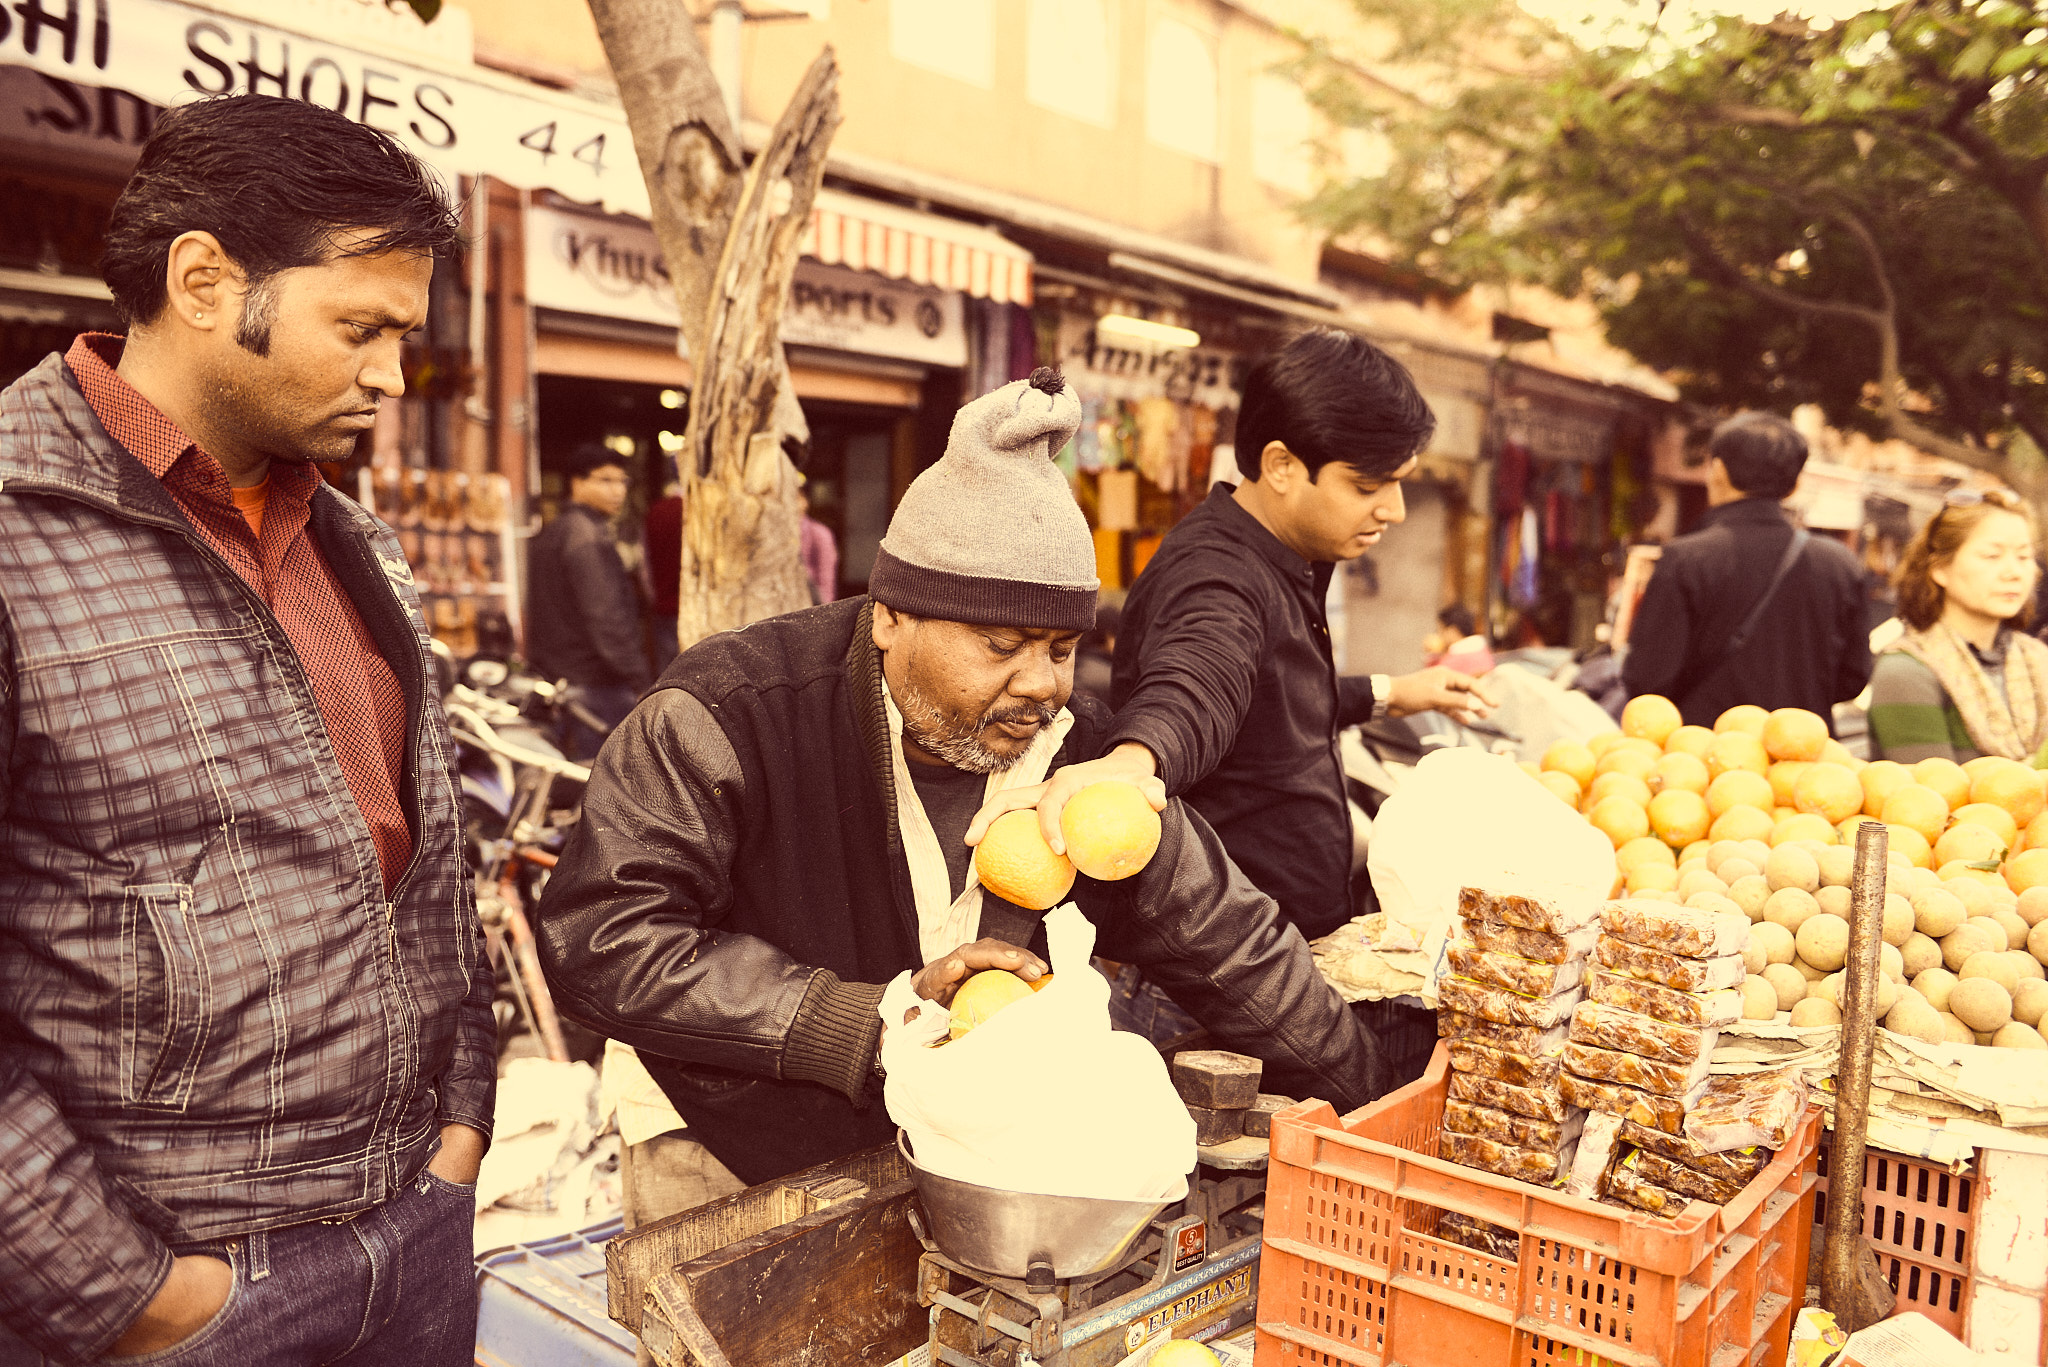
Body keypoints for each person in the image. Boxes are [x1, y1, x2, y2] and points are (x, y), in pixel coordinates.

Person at [532, 368, 1386, 1202]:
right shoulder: (728, 715)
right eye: (1002, 644)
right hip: (727, 1144)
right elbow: (602, 938)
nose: (1041, 684)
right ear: (891, 615)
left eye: (1060, 649)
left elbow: (1233, 945)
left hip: (963, 1160)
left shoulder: (1073, 754)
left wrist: (1377, 1107)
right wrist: (867, 1018)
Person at [0, 95, 491, 1367]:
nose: (392, 373)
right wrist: (122, 1291)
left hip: (417, 1227)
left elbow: (422, 864)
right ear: (206, 280)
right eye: (360, 327)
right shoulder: (15, 528)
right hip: (178, 1284)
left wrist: (461, 1129)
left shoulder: (350, 537)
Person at [1014, 331, 1493, 947]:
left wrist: (1394, 694)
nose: (1395, 511)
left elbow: (1273, 700)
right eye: (1368, 487)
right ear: (1282, 466)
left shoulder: (1279, 557)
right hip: (1218, 973)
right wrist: (1133, 762)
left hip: (1280, 942)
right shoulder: (1218, 578)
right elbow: (1197, 682)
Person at [1622, 412, 1872, 727]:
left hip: (1703, 759)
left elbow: (1647, 680)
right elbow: (1853, 678)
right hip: (1803, 758)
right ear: (1794, 485)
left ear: (1718, 471)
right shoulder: (1841, 564)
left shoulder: (1686, 559)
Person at [1867, 490, 2048, 763]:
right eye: (1991, 556)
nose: (2014, 572)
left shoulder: (2038, 659)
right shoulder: (1907, 671)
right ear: (1939, 569)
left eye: (2024, 557)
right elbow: (1934, 796)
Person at [526, 441, 652, 758]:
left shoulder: (563, 529)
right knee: (606, 784)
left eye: (623, 482)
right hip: (594, 683)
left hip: (566, 678)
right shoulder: (585, 537)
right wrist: (641, 680)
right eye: (605, 480)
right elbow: (606, 616)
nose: (618, 491)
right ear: (577, 482)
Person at [643, 461, 684, 669]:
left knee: (669, 676)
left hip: (664, 608)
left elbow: (645, 567)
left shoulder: (656, 511)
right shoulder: (703, 512)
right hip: (692, 611)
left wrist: (655, 598)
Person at [799, 482, 839, 603]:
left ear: (805, 501)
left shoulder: (819, 533)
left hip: (809, 601)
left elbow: (826, 578)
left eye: (796, 498)